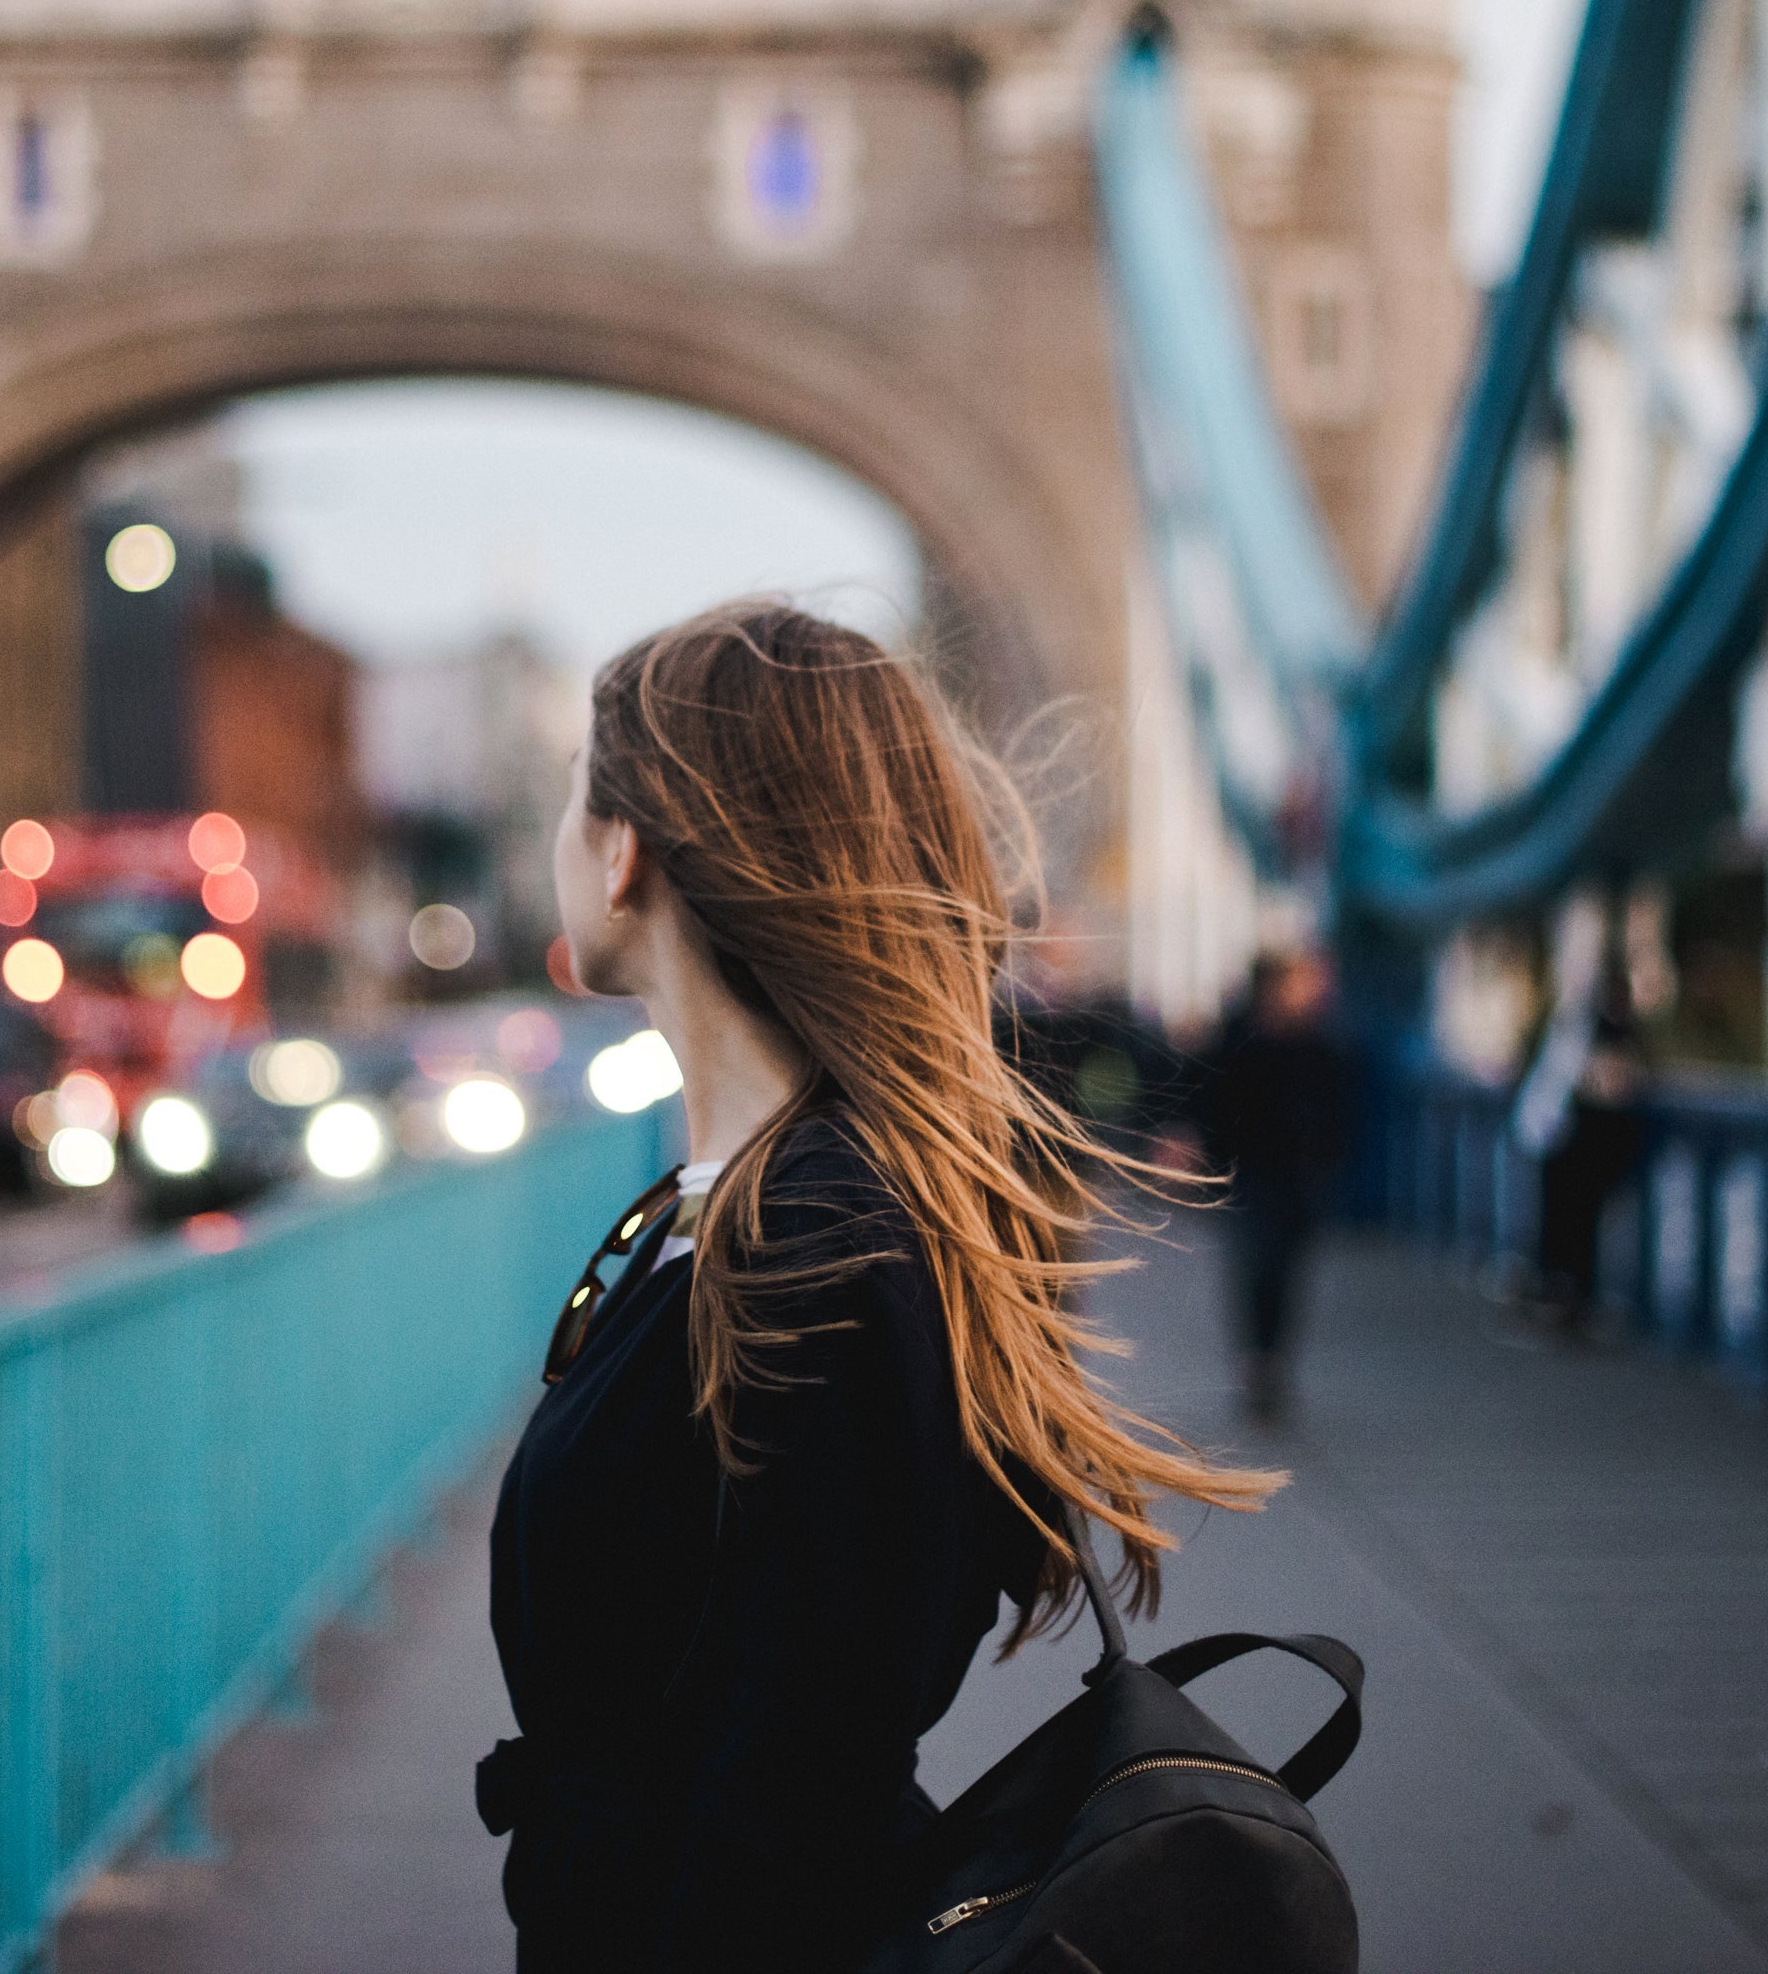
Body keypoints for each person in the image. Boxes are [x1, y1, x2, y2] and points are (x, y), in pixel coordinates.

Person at [484, 603, 1281, 1973]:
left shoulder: (822, 1240)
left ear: (625, 855)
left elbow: (799, 1783)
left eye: (574, 797)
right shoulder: (751, 1205)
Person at [1196, 948, 1347, 1421]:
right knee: (1258, 1265)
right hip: (1251, 1174)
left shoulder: (1317, 1046)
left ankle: (1272, 1361)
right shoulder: (1240, 1042)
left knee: (1287, 1271)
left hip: (1298, 1179)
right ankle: (1257, 1363)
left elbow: (1336, 1111)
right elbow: (1211, 1104)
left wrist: (1324, 1158)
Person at [1531, 1014, 1647, 1338]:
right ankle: (1567, 1293)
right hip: (1578, 1140)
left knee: (1581, 1220)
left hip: (1590, 1140)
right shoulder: (1581, 1029)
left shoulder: (1599, 1031)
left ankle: (1571, 1296)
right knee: (1573, 1219)